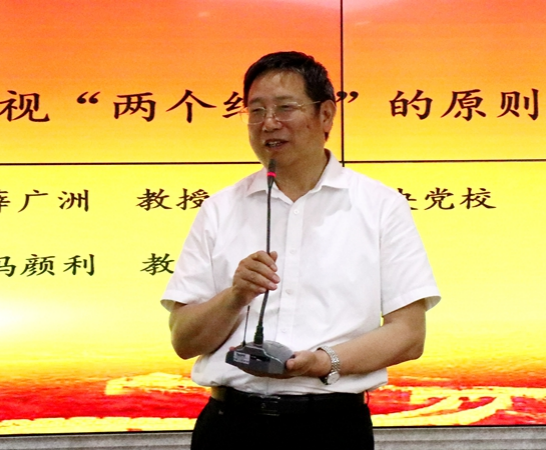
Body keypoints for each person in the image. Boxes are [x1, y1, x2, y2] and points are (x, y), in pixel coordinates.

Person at [161, 51, 440, 450]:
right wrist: (235, 295)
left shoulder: (380, 205)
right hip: (230, 427)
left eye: (284, 108)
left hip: (331, 430)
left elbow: (408, 335)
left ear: (326, 115)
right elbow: (184, 341)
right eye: (256, 111)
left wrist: (322, 362)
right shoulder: (220, 208)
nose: (268, 123)